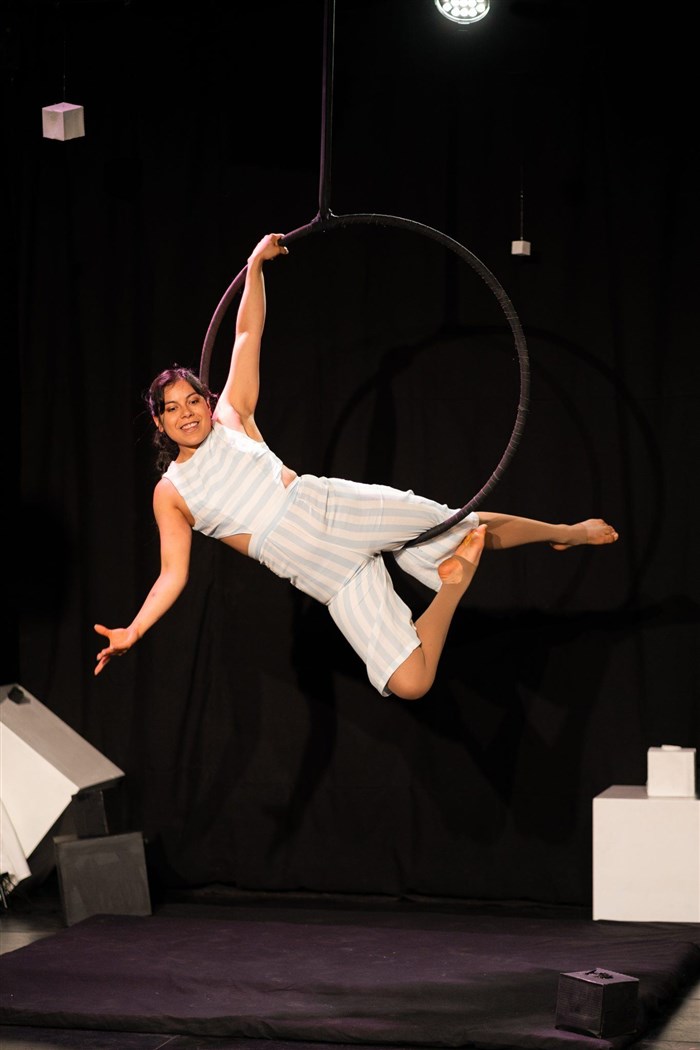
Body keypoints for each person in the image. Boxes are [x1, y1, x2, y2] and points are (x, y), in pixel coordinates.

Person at [94, 233, 619, 699]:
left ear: (207, 401)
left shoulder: (232, 415)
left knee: (460, 524)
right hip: (322, 573)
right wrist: (133, 630)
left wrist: (254, 267)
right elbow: (172, 574)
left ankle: (565, 533)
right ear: (158, 422)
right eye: (172, 409)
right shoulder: (172, 492)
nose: (187, 413)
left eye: (193, 400)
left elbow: (247, 335)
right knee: (412, 682)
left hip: (330, 509)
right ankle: (453, 584)